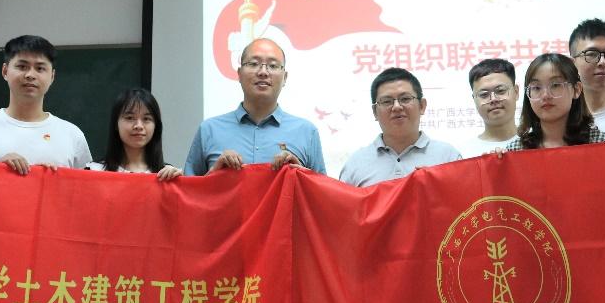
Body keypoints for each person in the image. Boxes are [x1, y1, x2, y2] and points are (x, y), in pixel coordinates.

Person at [184, 38, 325, 175]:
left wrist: (303, 175)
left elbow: (322, 190)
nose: (263, 72)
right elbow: (188, 189)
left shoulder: (307, 132)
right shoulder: (209, 130)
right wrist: (213, 174)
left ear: (285, 78)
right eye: (253, 64)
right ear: (239, 74)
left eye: (273, 66)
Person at [0, 35, 91, 174]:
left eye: (40, 68)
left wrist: (51, 178)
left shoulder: (72, 135)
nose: (30, 75)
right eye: (22, 66)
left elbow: (86, 186)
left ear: (52, 76)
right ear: (5, 71)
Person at [339, 67, 461, 187]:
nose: (397, 107)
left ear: (422, 106)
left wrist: (439, 186)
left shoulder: (449, 157)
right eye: (387, 101)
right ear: (375, 112)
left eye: (405, 99)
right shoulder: (355, 164)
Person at [504, 53, 605, 151]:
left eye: (555, 85)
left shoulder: (601, 144)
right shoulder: (516, 150)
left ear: (576, 90)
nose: (545, 95)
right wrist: (499, 161)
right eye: (536, 87)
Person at [86, 88, 182, 180]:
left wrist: (180, 183)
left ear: (156, 126)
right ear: (116, 124)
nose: (139, 126)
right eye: (130, 118)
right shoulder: (94, 171)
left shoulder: (167, 175)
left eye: (146, 119)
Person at [459, 58, 519, 158]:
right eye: (484, 94)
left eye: (500, 91)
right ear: (474, 99)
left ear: (516, 92)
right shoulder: (463, 154)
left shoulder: (538, 142)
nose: (493, 99)